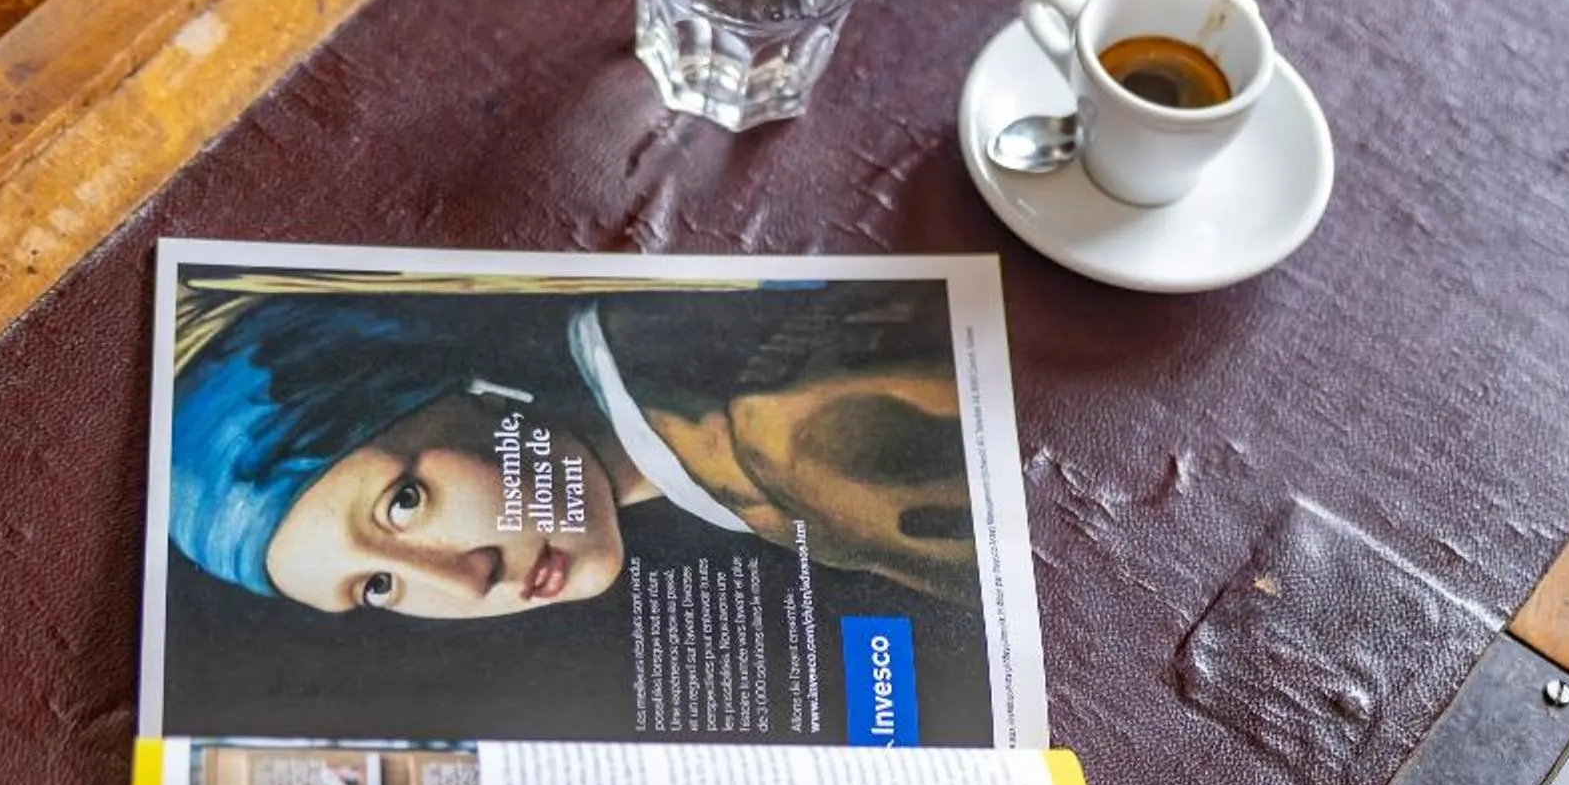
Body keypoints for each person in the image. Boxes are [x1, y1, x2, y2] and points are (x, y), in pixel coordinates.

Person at [165, 277, 979, 623]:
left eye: (403, 503)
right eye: (377, 586)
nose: (465, 579)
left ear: (452, 389)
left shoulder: (794, 435)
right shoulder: (730, 468)